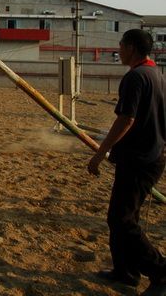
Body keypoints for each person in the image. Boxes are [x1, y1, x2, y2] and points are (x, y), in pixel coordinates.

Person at [88, 29, 166, 295]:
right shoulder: (157, 74)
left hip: (140, 159)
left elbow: (126, 119)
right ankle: (125, 272)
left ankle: (160, 271)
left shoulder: (135, 77)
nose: (118, 49)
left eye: (120, 45)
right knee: (121, 217)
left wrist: (100, 153)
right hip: (151, 156)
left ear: (131, 47)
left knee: (122, 220)